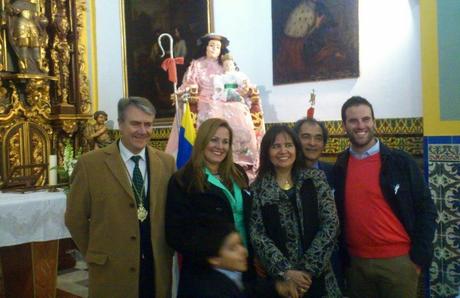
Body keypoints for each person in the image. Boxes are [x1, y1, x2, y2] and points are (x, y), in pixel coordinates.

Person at [65, 97, 176, 298]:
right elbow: (75, 218)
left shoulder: (166, 163)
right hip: (111, 270)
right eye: (135, 123)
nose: (143, 131)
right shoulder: (90, 164)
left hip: (156, 268)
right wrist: (95, 253)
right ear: (121, 124)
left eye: (148, 124)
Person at [334, 96, 437, 298]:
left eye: (366, 119)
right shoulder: (340, 166)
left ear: (374, 122)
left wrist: (418, 258)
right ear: (344, 125)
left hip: (399, 263)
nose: (360, 125)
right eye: (353, 121)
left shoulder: (400, 162)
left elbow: (426, 209)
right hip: (356, 265)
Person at [166, 118, 278, 297]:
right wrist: (216, 255)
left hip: (244, 266)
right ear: (202, 141)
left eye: (226, 142)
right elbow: (176, 234)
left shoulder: (238, 173)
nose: (220, 146)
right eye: (214, 140)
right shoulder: (183, 180)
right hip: (206, 274)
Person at [249, 125, 341, 297]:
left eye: (288, 145)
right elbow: (258, 234)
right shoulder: (257, 189)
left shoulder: (316, 179)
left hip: (318, 278)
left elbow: (331, 224)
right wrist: (286, 272)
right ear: (267, 152)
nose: (283, 151)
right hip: (280, 282)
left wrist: (307, 270)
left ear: (296, 149)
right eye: (276, 146)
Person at [165, 33, 264, 181]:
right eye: (212, 45)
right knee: (212, 118)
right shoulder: (197, 65)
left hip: (228, 100)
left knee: (241, 112)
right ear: (205, 47)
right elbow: (190, 83)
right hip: (205, 101)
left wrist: (246, 90)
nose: (214, 49)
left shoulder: (226, 65)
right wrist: (185, 91)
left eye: (218, 47)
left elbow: (238, 83)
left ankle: (242, 161)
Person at [176, 218, 298, 298]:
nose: (244, 252)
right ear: (214, 258)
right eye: (233, 248)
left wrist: (278, 287)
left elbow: (245, 292)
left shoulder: (227, 277)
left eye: (240, 244)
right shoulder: (211, 292)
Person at [293, 117, 333, 186]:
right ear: (295, 140)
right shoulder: (285, 174)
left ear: (324, 144)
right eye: (306, 137)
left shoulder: (333, 172)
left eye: (318, 138)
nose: (312, 143)